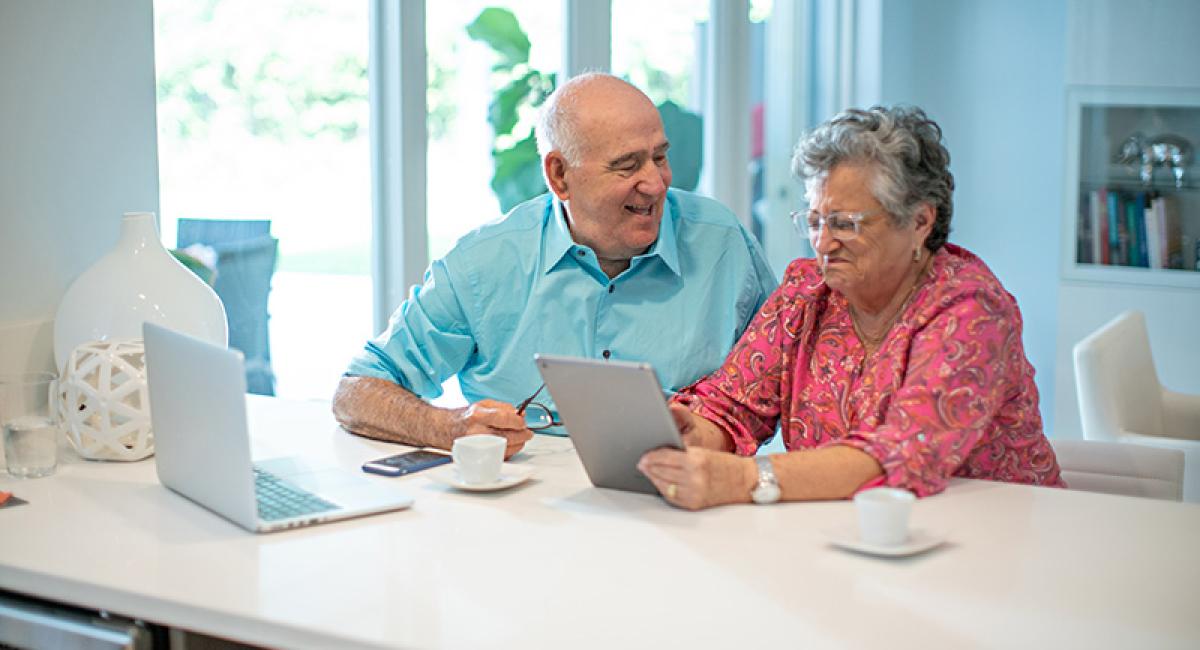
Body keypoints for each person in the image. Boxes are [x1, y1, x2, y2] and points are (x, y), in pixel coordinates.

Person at [638, 105, 1064, 510]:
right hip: (847, 536)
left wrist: (740, 480)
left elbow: (900, 456)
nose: (823, 244)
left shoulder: (971, 311)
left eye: (845, 224)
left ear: (920, 222)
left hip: (992, 540)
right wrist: (695, 433)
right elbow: (733, 406)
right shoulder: (806, 293)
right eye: (815, 221)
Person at [333, 73, 777, 458]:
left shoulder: (723, 243)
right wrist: (450, 428)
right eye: (627, 166)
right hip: (525, 520)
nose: (656, 182)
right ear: (560, 176)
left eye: (659, 156)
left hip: (688, 506)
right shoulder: (483, 263)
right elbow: (356, 392)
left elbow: (789, 378)